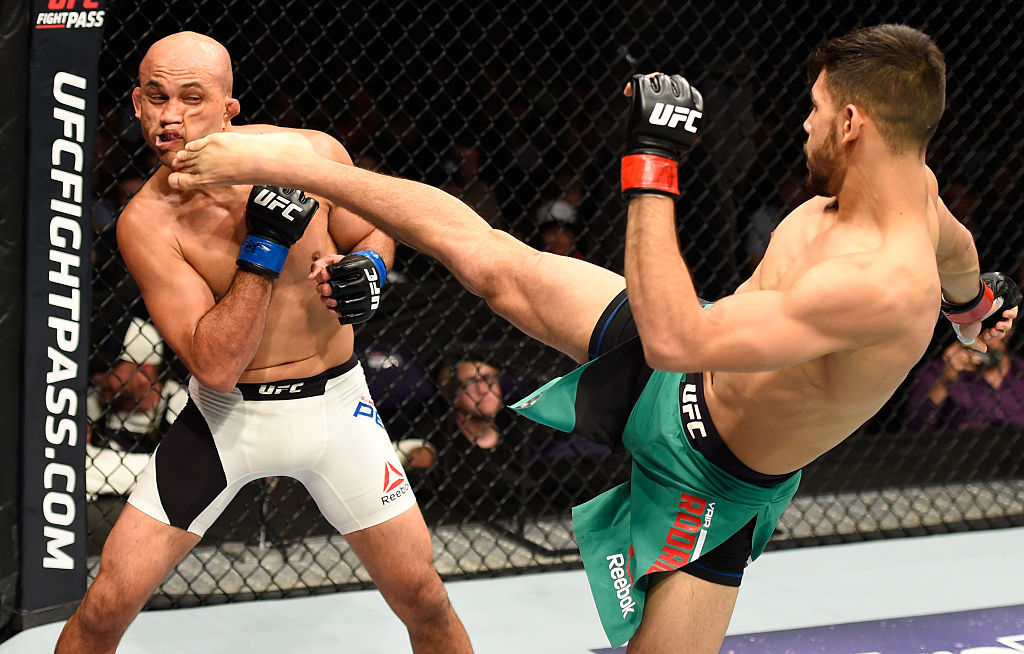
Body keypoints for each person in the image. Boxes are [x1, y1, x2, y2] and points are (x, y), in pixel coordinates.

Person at [166, 25, 1019, 654]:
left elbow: (680, 332)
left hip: (714, 477)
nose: (800, 123)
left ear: (855, 123)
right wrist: (976, 310)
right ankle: (296, 165)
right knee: (489, 258)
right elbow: (960, 255)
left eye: (814, 108)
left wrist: (651, 163)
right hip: (669, 375)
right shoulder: (920, 190)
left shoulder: (874, 281)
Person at [56, 32, 473, 654]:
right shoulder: (145, 223)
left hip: (339, 408)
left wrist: (370, 272)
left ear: (230, 109)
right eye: (158, 96)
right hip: (228, 419)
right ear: (136, 104)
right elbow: (217, 364)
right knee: (104, 609)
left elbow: (372, 230)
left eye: (192, 98)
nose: (172, 115)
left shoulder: (308, 153)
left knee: (428, 600)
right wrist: (265, 245)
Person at [86, 317, 188, 497]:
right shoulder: (93, 401)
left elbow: (181, 474)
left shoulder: (182, 405)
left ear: (144, 371)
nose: (97, 377)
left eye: (110, 368)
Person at [905, 321, 1024, 430]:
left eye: (991, 328)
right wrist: (945, 381)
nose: (983, 336)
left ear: (1009, 330)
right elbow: (915, 426)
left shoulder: (1020, 370)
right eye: (976, 328)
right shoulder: (937, 370)